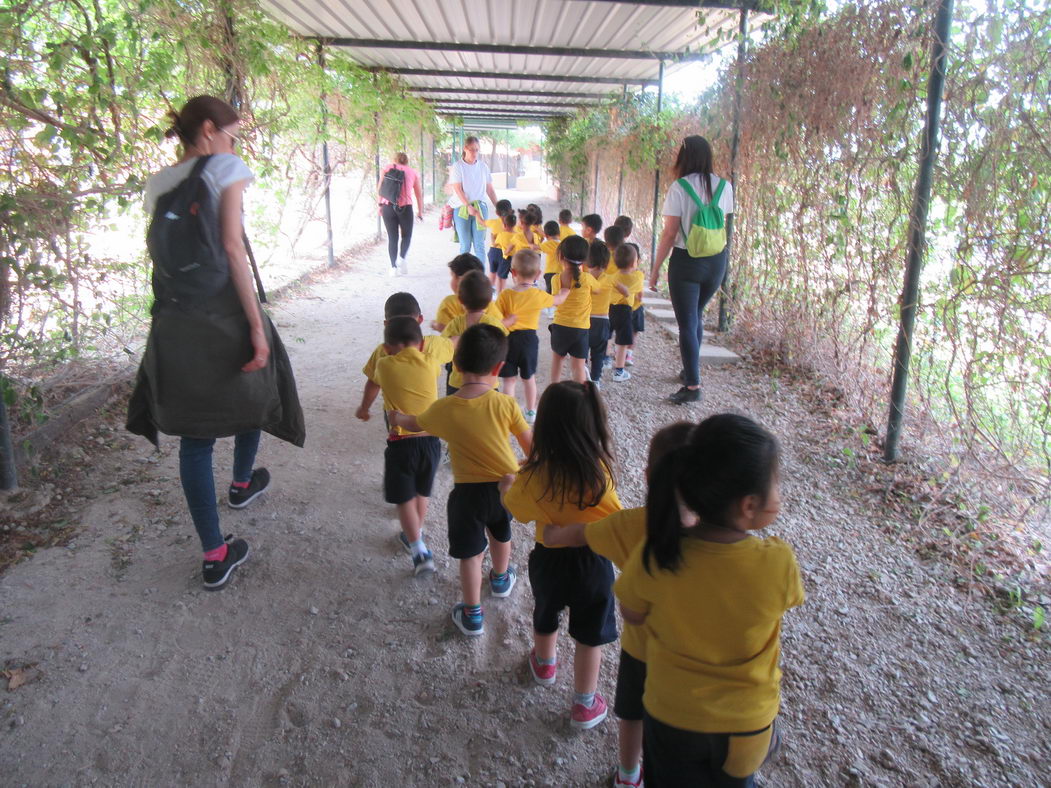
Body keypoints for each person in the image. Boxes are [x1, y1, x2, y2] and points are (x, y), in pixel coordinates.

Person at [127, 95, 304, 591]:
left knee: (195, 441)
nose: (234, 142)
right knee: (260, 389)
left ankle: (214, 553)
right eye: (231, 132)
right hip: (224, 312)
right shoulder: (224, 166)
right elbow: (231, 247)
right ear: (208, 130)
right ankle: (243, 483)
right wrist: (254, 324)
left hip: (177, 321)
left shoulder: (158, 182)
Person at [615, 414, 804, 788]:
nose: (780, 493)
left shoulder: (657, 553)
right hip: (746, 723)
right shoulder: (777, 561)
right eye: (776, 483)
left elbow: (631, 612)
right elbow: (786, 601)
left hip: (671, 714)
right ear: (749, 505)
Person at [543, 421, 695, 788]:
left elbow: (584, 532)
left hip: (642, 652)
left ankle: (628, 775)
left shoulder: (632, 525)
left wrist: (554, 535)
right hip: (697, 660)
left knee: (632, 713)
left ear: (647, 476)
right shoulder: (729, 546)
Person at [390, 325, 533, 637]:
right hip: (503, 487)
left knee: (470, 555)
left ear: (454, 365)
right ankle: (499, 579)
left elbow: (415, 423)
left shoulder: (445, 408)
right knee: (500, 532)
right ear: (498, 369)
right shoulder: (505, 404)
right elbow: (531, 448)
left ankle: (472, 615)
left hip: (467, 496)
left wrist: (397, 418)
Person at [501, 381, 622, 731]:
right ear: (593, 426)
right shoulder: (599, 476)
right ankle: (585, 704)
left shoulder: (535, 475)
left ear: (546, 427)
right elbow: (615, 520)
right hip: (592, 564)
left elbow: (518, 510)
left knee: (545, 611)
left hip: (549, 559)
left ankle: (544, 663)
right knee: (589, 635)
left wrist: (508, 486)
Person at [356, 313, 452, 576]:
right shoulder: (432, 363)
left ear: (389, 348)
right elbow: (449, 345)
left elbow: (375, 379)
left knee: (404, 499)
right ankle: (415, 532)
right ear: (420, 343)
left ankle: (418, 547)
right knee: (422, 494)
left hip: (401, 443)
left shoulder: (385, 365)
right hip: (432, 441)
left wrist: (363, 409)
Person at [648, 136, 735, 405]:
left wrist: (654, 271)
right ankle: (689, 370)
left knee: (687, 323)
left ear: (683, 157)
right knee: (695, 315)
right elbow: (722, 224)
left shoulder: (679, 188)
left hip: (686, 261)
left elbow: (669, 234)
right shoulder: (725, 186)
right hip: (717, 261)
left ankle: (693, 385)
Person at [496, 250, 569, 423]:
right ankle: (530, 411)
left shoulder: (505, 295)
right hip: (529, 341)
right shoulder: (537, 295)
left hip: (508, 340)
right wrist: (565, 291)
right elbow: (557, 300)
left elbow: (496, 317)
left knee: (509, 380)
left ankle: (507, 413)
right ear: (538, 274)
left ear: (512, 273)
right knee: (529, 378)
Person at [441, 271, 509, 394]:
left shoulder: (454, 324)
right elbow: (502, 346)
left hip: (458, 382)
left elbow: (444, 348)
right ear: (489, 301)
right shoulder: (495, 324)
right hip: (488, 382)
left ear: (460, 300)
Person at [550, 236, 603, 385]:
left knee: (557, 360)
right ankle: (580, 392)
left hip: (560, 326)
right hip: (580, 329)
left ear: (560, 256)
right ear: (585, 259)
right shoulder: (587, 278)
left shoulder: (556, 279)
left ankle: (554, 389)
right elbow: (598, 290)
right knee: (578, 365)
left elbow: (555, 302)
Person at [450, 136, 501, 260]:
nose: (474, 153)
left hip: (480, 208)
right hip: (462, 208)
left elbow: (490, 189)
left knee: (479, 245)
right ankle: (464, 276)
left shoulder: (483, 167)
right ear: (465, 149)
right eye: (472, 149)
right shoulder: (458, 166)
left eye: (477, 150)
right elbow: (458, 189)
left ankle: (480, 277)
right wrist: (468, 206)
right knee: (465, 245)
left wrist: (499, 207)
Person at [377, 152, 424, 277]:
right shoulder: (412, 172)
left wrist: (380, 205)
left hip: (388, 206)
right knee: (406, 236)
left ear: (395, 160)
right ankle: (402, 259)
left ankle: (393, 268)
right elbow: (419, 194)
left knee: (393, 237)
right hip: (405, 207)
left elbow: (380, 188)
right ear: (406, 161)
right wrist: (420, 211)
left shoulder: (387, 168)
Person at [608, 245, 644, 383]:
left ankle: (604, 360)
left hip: (609, 308)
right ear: (633, 262)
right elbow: (639, 296)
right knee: (622, 342)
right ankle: (619, 371)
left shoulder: (612, 276)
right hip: (624, 311)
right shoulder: (638, 276)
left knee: (607, 336)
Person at [584, 242, 615, 387]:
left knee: (582, 351)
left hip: (583, 320)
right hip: (602, 321)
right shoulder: (610, 279)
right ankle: (595, 380)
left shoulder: (583, 278)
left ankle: (583, 377)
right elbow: (625, 292)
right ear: (607, 263)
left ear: (587, 261)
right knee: (598, 353)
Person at [485, 199, 514, 287]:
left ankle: (490, 292)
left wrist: (476, 214)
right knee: (502, 277)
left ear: (497, 212)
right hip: (507, 253)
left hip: (493, 252)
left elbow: (481, 222)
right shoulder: (514, 224)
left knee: (492, 273)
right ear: (511, 210)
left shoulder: (493, 222)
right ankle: (501, 293)